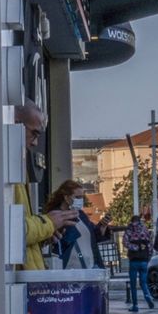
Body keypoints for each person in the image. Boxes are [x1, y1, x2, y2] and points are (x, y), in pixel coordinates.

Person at [16, 102, 78, 270]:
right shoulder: (2, 168)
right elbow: (8, 231)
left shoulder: (18, 168)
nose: (35, 143)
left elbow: (20, 232)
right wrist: (48, 224)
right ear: (14, 125)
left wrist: (45, 234)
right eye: (33, 133)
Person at [45, 181, 110, 269]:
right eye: (77, 197)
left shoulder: (81, 215)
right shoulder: (56, 216)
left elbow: (92, 237)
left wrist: (102, 226)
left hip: (89, 267)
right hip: (69, 268)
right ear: (66, 198)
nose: (80, 200)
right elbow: (58, 242)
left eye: (82, 197)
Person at [122, 212, 156, 312]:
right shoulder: (145, 230)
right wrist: (149, 256)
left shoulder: (129, 230)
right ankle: (147, 296)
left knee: (133, 284)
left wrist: (134, 247)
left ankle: (135, 305)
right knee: (143, 282)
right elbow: (150, 245)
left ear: (132, 221)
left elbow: (125, 242)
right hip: (144, 260)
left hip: (134, 260)